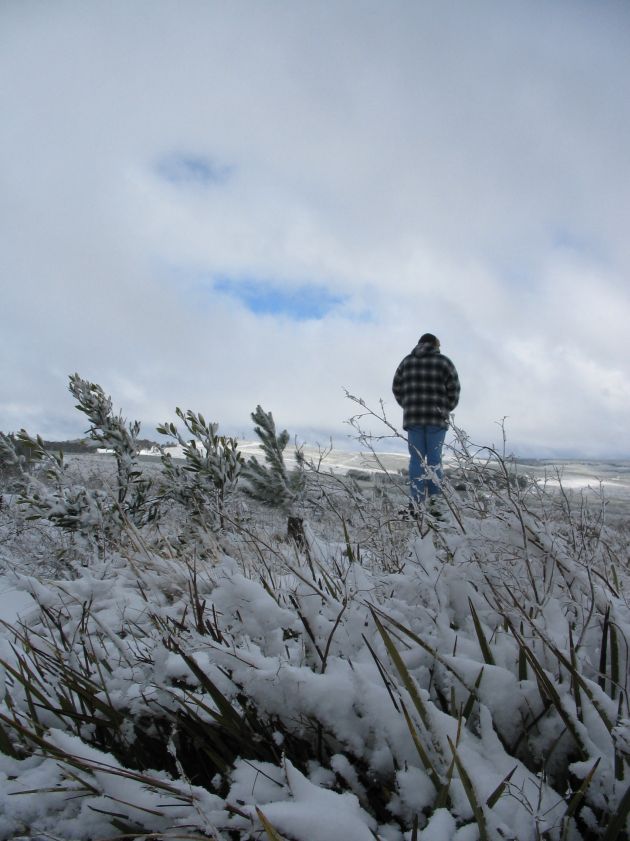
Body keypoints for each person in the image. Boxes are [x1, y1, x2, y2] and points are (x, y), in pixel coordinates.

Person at [392, 333, 460, 510]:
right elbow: (454, 389)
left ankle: (416, 503)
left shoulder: (406, 362)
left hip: (413, 417)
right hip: (437, 418)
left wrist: (408, 405)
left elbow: (396, 388)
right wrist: (446, 408)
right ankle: (436, 504)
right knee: (434, 461)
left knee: (416, 461)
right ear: (435, 345)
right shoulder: (444, 362)